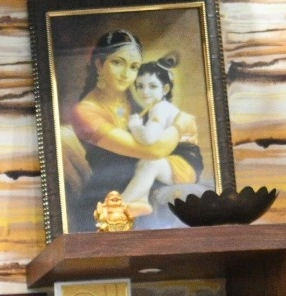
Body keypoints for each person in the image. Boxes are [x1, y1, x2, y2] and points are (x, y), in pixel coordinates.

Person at [68, 30, 181, 227]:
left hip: (145, 185)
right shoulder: (85, 111)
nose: (126, 74)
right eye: (117, 62)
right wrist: (179, 127)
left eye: (134, 67)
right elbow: (153, 150)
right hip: (110, 197)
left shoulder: (133, 98)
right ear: (99, 64)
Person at [120, 60, 205, 212]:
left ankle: (119, 206)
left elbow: (148, 137)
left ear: (165, 88)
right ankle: (141, 200)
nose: (145, 92)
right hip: (179, 162)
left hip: (185, 165)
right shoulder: (154, 108)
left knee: (150, 164)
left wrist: (135, 126)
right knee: (144, 163)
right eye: (140, 86)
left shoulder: (160, 108)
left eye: (152, 86)